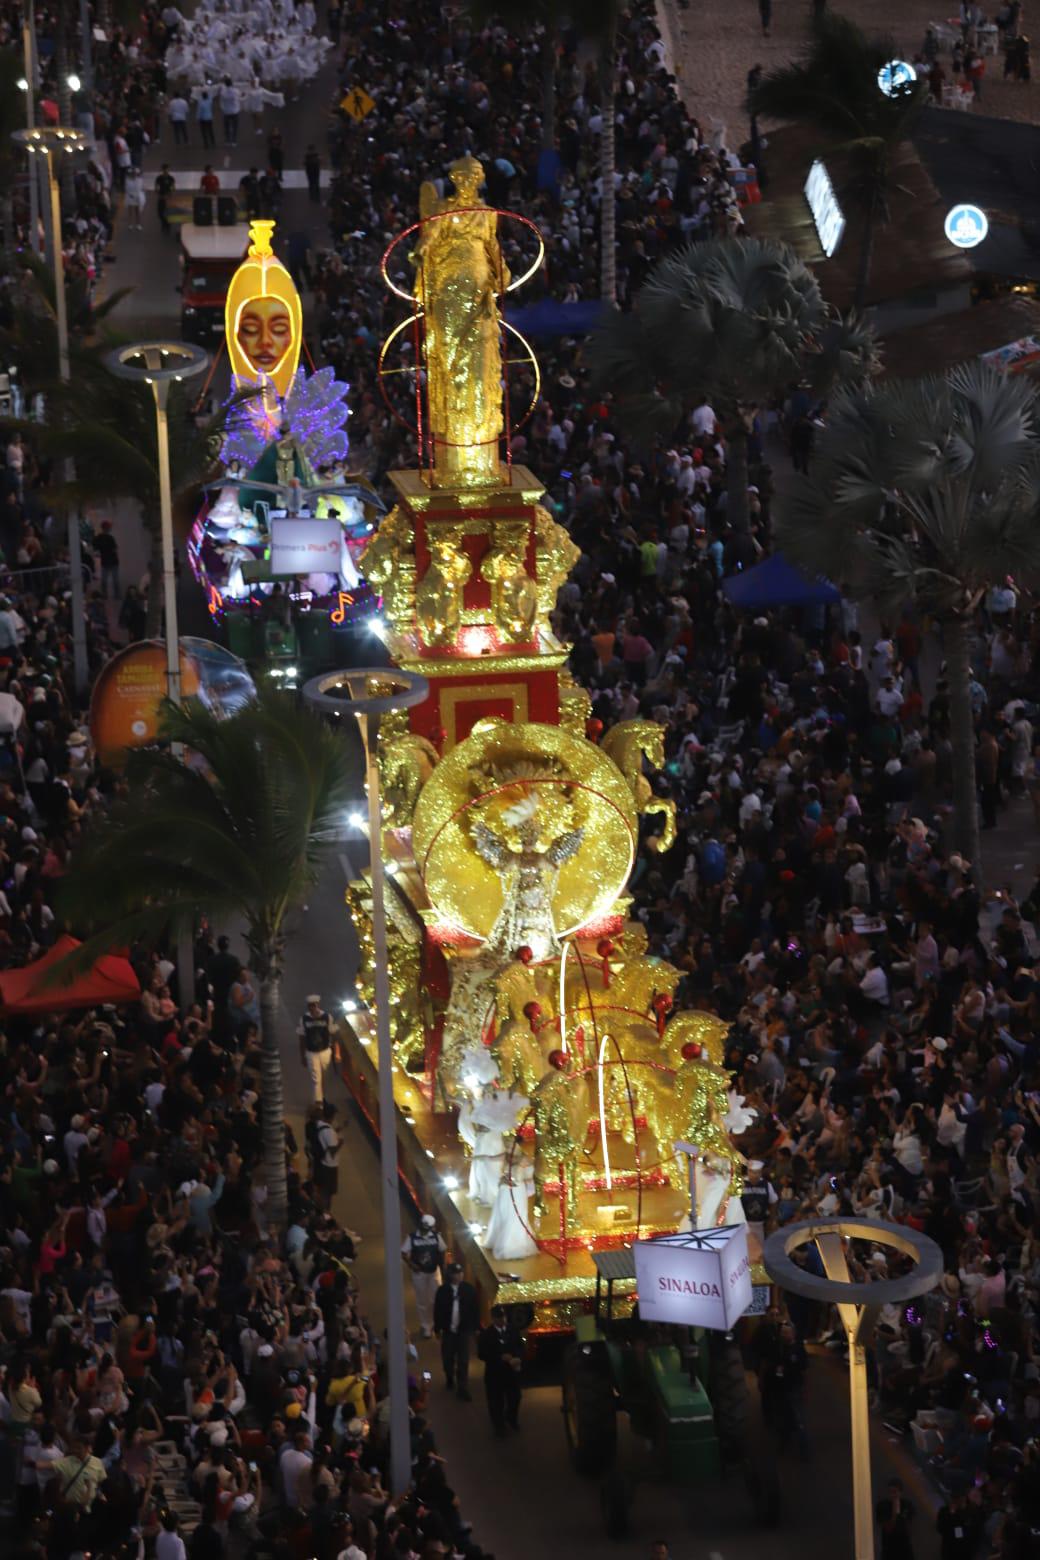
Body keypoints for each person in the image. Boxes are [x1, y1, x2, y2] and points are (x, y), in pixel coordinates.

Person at [433, 1262, 478, 1401]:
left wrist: (474, 1328)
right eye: (456, 1273)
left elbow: (474, 1310)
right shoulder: (442, 1291)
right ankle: (449, 1376)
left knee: (463, 1360)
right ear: (450, 1275)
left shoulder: (469, 1290)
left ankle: (462, 1387)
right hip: (448, 1331)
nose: (459, 1276)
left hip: (463, 1331)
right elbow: (438, 1310)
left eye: (460, 1273)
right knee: (448, 1358)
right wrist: (437, 1328)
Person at [477, 1303, 523, 1435]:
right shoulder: (487, 1335)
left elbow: (520, 1346)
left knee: (515, 1397)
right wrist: (499, 1357)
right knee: (496, 1401)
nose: (502, 1320)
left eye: (503, 1317)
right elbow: (482, 1354)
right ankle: (499, 1426)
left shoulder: (512, 1330)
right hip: (495, 1374)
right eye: (499, 1318)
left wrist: (518, 1357)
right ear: (493, 1319)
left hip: (511, 1373)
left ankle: (512, 1418)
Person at [402, 1212, 446, 1337]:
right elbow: (404, 1253)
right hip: (419, 1273)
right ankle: (426, 1325)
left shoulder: (437, 1237)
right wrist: (411, 1265)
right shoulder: (412, 1238)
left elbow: (442, 1250)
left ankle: (437, 1324)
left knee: (436, 1299)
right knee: (422, 1300)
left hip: (434, 1272)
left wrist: (440, 1266)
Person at [298, 992, 336, 1102]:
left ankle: (324, 1098)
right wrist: (302, 1056)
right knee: (316, 1079)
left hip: (325, 1051)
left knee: (325, 1077)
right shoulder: (304, 1019)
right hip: (311, 1052)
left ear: (318, 1005)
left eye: (314, 1005)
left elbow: (333, 1034)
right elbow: (301, 1038)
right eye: (310, 1006)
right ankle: (318, 1103)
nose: (312, 1008)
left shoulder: (327, 1017)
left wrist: (336, 1052)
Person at [876, 1478, 916, 1560]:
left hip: (905, 1549)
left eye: (895, 1492)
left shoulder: (907, 1505)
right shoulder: (882, 1506)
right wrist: (895, 1511)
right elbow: (888, 1528)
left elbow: (907, 1527)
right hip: (888, 1549)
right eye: (890, 1492)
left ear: (900, 1492)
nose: (892, 1495)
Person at [94, 519, 120, 597]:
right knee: (115, 580)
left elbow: (95, 548)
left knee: (104, 581)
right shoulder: (110, 538)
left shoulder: (99, 537)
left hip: (105, 561)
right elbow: (115, 548)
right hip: (112, 561)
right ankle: (117, 595)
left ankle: (105, 595)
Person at [155, 164, 175, 236]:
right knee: (160, 213)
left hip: (168, 198)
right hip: (161, 197)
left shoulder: (171, 178)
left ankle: (168, 225)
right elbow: (156, 187)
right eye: (165, 170)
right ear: (162, 170)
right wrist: (159, 194)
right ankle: (163, 223)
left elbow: (173, 188)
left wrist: (170, 194)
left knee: (169, 212)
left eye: (167, 169)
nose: (166, 171)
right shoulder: (159, 178)